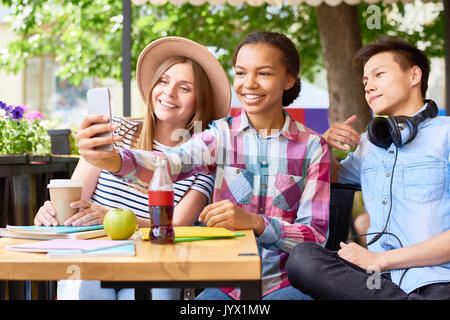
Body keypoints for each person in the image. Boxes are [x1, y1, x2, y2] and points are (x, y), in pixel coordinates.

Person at [74, 31, 330, 300]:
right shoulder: (219, 136)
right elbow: (168, 165)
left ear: (288, 79)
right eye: (241, 73)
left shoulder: (313, 147)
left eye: (263, 73)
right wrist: (113, 160)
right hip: (226, 286)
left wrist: (255, 222)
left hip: (287, 285)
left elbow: (315, 236)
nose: (249, 84)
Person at [34, 36, 231, 300]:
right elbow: (74, 201)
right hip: (93, 257)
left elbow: (178, 227)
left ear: (200, 100)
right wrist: (52, 212)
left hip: (154, 267)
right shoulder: (116, 131)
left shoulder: (203, 158)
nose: (169, 92)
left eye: (184, 88)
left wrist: (114, 217)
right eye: (163, 81)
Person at [286, 38, 450, 299]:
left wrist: (382, 260)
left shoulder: (446, 134)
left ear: (414, 75)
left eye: (379, 75)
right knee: (302, 259)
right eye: (365, 82)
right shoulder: (369, 144)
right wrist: (323, 146)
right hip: (376, 280)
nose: (369, 87)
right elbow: (332, 177)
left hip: (436, 278)